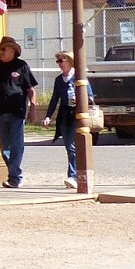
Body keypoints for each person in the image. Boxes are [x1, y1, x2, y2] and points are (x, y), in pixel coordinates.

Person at [0, 36, 37, 188]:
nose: (0, 52)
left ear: (13, 51)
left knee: (16, 145)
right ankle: (15, 174)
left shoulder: (22, 66)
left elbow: (30, 89)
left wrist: (33, 108)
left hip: (17, 111)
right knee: (4, 147)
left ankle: (14, 177)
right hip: (0, 112)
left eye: (3, 49)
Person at [46, 50, 90, 190]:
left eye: (62, 60)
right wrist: (48, 116)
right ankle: (74, 175)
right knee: (69, 147)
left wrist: (80, 100)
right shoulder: (59, 80)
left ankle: (74, 176)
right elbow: (54, 99)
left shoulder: (79, 77)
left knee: (73, 147)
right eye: (57, 61)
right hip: (64, 115)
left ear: (70, 61)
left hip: (77, 115)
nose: (59, 64)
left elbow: (90, 96)